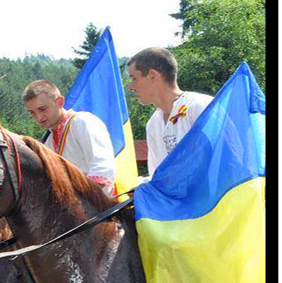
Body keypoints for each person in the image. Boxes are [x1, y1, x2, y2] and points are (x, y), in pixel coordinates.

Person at [127, 47, 214, 178]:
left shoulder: (200, 107)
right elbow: (158, 177)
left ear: (152, 75)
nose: (131, 87)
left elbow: (221, 163)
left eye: (134, 78)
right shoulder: (154, 124)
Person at [23, 79, 116, 196]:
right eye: (32, 112)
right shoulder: (48, 140)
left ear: (60, 102)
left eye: (42, 109)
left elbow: (102, 168)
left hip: (98, 206)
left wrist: (78, 200)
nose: (39, 117)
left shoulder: (83, 122)